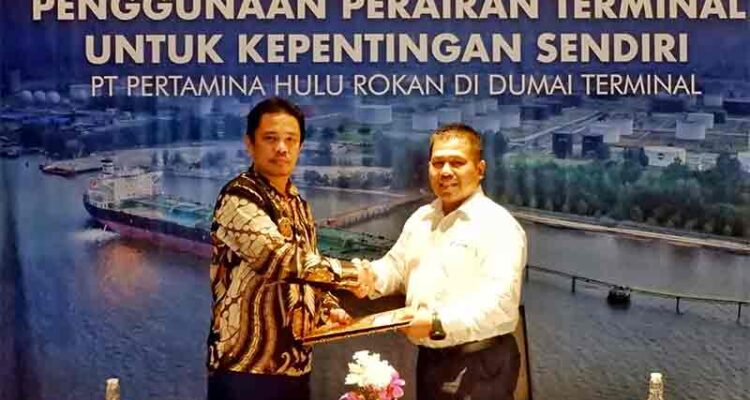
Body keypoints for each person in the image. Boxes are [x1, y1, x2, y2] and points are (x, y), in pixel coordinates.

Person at [206, 97, 367, 400]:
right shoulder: (238, 197)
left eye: (290, 140)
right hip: (244, 370)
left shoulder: (298, 204)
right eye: (270, 138)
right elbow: (280, 260)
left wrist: (328, 308)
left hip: (296, 367)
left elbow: (307, 275)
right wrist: (354, 273)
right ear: (250, 144)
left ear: (300, 146)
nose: (282, 148)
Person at [358, 123, 527, 400]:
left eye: (457, 163)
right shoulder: (421, 219)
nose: (445, 171)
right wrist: (369, 277)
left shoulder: (499, 226)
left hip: (480, 367)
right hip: (430, 360)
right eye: (438, 163)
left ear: (480, 169)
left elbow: (500, 304)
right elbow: (395, 268)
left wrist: (437, 322)